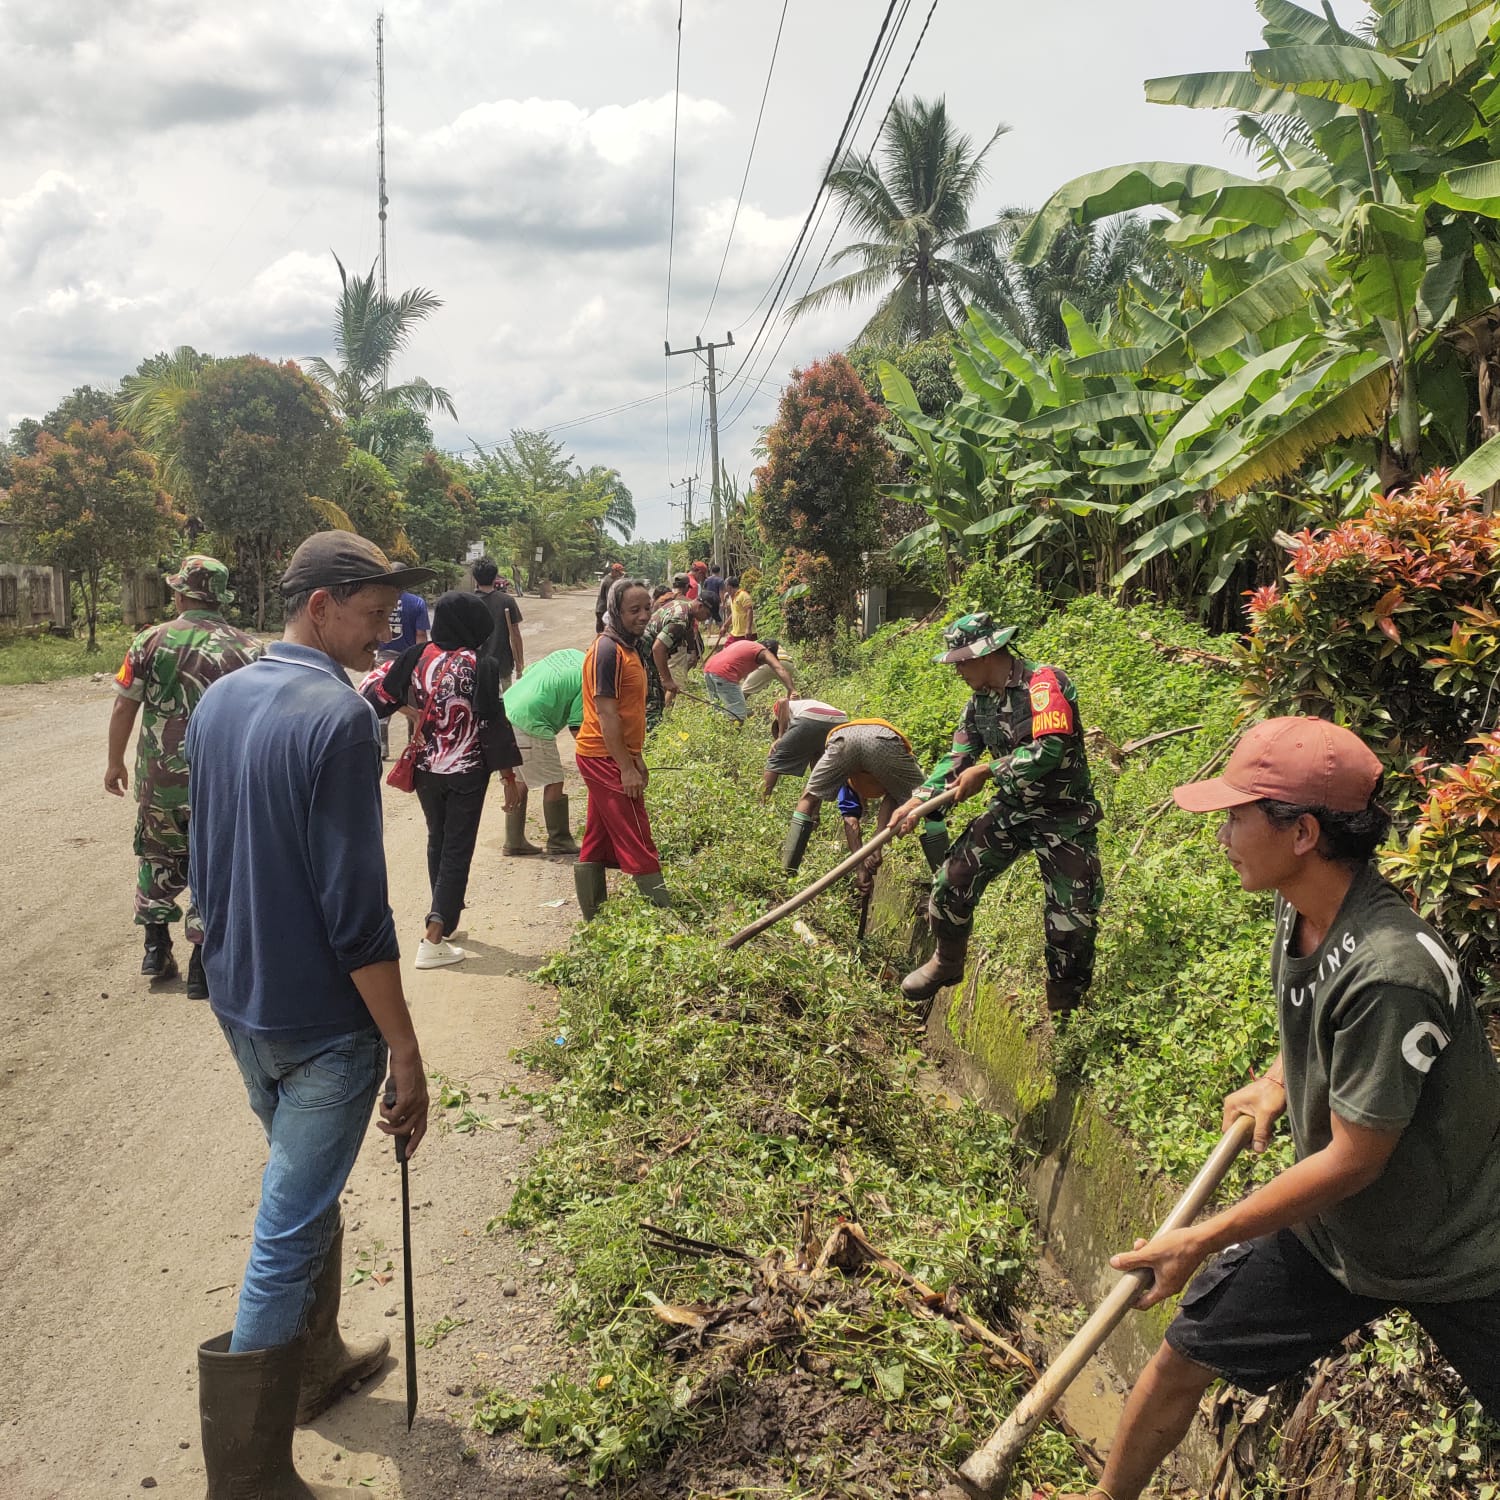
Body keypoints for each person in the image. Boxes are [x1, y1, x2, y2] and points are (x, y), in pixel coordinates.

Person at [1055, 717, 1500, 1500]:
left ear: (1302, 833)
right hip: (1340, 1237)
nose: (1222, 835)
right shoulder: (1302, 907)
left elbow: (1353, 1160)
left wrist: (1203, 1235)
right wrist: (1278, 1080)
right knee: (1185, 1355)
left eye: (1237, 816)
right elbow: (1323, 1027)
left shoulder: (1390, 970)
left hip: (1461, 1250)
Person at [184, 531, 434, 1496]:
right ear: (320, 606)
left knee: (308, 1186)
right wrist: (403, 1047)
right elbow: (355, 910)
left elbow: (204, 852)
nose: (385, 634)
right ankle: (246, 1479)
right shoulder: (340, 717)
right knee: (286, 1230)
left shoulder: (220, 699)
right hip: (326, 1027)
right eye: (373, 616)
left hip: (242, 1003)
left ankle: (319, 1361)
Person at [893, 612, 1103, 1019]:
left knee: (1072, 921)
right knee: (951, 880)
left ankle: (1066, 1010)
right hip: (1013, 810)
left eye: (961, 663)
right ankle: (947, 962)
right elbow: (957, 760)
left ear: (987, 654)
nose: (958, 671)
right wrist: (916, 802)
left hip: (1064, 816)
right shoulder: (980, 703)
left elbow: (1050, 750)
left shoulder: (1044, 684)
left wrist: (988, 770)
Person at [105, 554, 260, 996]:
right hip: (221, 782)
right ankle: (200, 966)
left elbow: (124, 706)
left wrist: (115, 762)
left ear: (180, 595)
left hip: (161, 782)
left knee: (157, 856)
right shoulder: (249, 650)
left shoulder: (149, 640)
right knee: (214, 863)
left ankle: (156, 948)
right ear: (220, 598)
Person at [361, 591, 522, 963]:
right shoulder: (481, 664)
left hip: (425, 770)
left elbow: (380, 695)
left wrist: (414, 712)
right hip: (467, 771)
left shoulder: (417, 655)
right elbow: (492, 724)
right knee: (457, 848)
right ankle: (432, 939)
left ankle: (445, 923)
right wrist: (509, 778)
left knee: (439, 839)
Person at [573, 578, 669, 919]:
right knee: (636, 831)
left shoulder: (628, 648)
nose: (643, 616)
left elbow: (628, 712)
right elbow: (607, 713)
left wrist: (636, 756)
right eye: (634, 610)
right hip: (603, 755)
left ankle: (594, 916)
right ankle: (664, 914)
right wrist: (625, 767)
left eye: (647, 608)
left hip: (614, 753)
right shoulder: (607, 651)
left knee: (597, 837)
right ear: (615, 611)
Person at [780, 717, 928, 893]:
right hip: (883, 741)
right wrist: (874, 848)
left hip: (844, 740)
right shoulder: (886, 775)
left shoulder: (847, 772)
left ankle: (786, 873)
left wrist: (863, 864)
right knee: (927, 796)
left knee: (808, 798)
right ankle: (943, 880)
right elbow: (895, 798)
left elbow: (850, 819)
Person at [499, 647, 586, 856]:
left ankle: (514, 841)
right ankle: (559, 840)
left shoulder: (567, 653)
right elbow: (576, 726)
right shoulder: (589, 678)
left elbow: (530, 671)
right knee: (554, 780)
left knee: (520, 780)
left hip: (505, 710)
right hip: (531, 722)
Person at [761, 696, 849, 798]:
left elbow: (782, 701)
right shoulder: (802, 706)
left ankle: (762, 801)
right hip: (841, 721)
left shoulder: (780, 713)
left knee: (775, 758)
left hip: (811, 717)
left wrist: (781, 736)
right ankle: (813, 807)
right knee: (819, 767)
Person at [378, 587, 430, 760]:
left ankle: (383, 746)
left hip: (384, 657)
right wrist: (421, 659)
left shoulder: (380, 601)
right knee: (413, 701)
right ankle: (412, 743)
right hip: (409, 658)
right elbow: (420, 634)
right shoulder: (417, 602)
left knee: (383, 699)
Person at [643, 594, 711, 715]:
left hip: (650, 646)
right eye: (707, 614)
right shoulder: (680, 620)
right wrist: (667, 680)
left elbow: (689, 630)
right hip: (646, 650)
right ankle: (656, 720)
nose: (707, 618)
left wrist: (692, 650)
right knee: (654, 697)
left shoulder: (684, 606)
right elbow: (658, 649)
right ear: (700, 606)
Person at [701, 636, 793, 721]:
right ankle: (734, 732)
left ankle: (719, 730)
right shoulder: (764, 652)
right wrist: (791, 689)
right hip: (724, 673)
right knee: (738, 715)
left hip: (709, 669)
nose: (763, 663)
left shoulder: (747, 646)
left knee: (718, 709)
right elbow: (779, 668)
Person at [472, 556, 525, 689]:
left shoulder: (467, 602)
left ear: (475, 578)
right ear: (495, 577)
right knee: (506, 700)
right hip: (502, 665)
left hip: (475, 666)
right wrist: (520, 663)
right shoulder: (507, 601)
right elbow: (515, 635)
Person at [720, 574, 755, 646]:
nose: (725, 590)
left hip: (745, 633)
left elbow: (749, 611)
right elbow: (734, 614)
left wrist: (748, 628)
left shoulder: (743, 595)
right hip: (735, 633)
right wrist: (725, 626)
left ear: (729, 587)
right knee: (727, 649)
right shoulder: (732, 597)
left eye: (726, 587)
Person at [594, 560, 625, 634]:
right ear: (614, 571)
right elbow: (610, 598)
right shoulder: (609, 581)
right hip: (604, 609)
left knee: (601, 631)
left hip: (600, 609)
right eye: (619, 573)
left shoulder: (607, 578)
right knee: (605, 631)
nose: (619, 576)